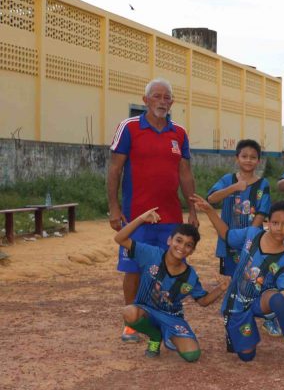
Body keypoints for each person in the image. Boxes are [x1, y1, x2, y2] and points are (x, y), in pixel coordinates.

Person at [107, 78, 198, 343]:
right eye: (156, 96)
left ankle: (164, 320)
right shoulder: (129, 127)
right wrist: (114, 207)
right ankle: (131, 322)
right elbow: (115, 169)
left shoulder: (179, 133)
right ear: (145, 100)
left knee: (169, 270)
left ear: (172, 102)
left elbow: (185, 173)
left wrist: (192, 210)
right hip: (136, 218)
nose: (162, 101)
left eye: (166, 97)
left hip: (170, 218)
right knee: (134, 269)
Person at [191, 196, 284, 371]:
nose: (279, 228)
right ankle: (241, 329)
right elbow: (227, 235)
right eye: (275, 223)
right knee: (246, 356)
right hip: (238, 301)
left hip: (261, 300)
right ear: (268, 222)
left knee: (278, 299)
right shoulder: (252, 234)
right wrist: (209, 211)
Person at [115, 208, 219, 362]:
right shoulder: (151, 254)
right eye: (179, 240)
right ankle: (155, 336)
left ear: (192, 251)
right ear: (169, 240)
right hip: (147, 310)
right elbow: (120, 238)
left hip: (172, 317)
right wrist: (141, 219)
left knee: (192, 355)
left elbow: (203, 301)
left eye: (188, 245)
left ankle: (168, 333)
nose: (181, 247)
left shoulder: (190, 276)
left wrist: (221, 288)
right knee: (129, 312)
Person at [206, 139, 271, 278]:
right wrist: (234, 187)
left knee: (251, 278)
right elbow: (211, 199)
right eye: (244, 156)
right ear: (237, 158)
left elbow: (261, 213)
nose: (248, 160)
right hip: (228, 240)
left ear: (258, 161)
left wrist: (249, 237)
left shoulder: (263, 184)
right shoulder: (227, 180)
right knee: (232, 278)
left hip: (252, 241)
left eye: (253, 157)